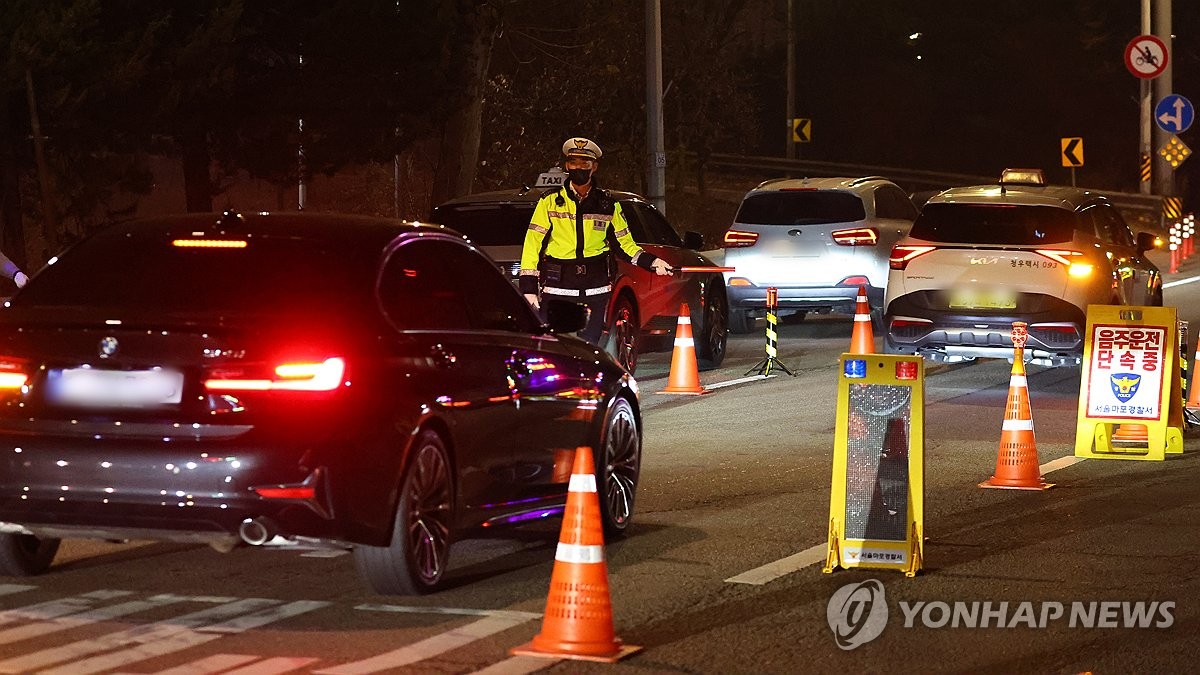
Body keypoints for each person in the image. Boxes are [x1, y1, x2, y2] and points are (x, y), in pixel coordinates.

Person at [519, 137, 673, 346]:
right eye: (574, 162)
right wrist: (528, 288)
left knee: (590, 346)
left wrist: (653, 263)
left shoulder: (608, 205)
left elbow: (625, 245)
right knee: (554, 344)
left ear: (594, 167)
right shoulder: (549, 202)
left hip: (595, 289)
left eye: (585, 163)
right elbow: (532, 245)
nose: (578, 168)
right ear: (566, 165)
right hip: (558, 289)